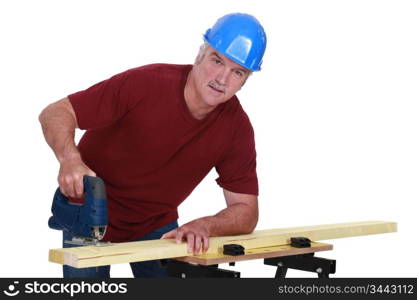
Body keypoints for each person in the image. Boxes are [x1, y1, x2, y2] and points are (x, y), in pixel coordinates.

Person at [39, 13, 267, 278]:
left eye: (237, 72)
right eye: (217, 60)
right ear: (200, 55)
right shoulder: (146, 84)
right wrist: (69, 159)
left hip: (156, 223)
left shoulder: (236, 128)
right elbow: (56, 112)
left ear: (245, 79)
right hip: (90, 214)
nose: (222, 79)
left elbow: (247, 211)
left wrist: (207, 225)